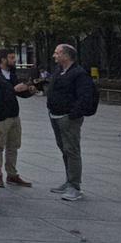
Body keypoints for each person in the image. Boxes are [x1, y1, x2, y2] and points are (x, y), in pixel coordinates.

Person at [41, 43, 93, 201]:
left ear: (66, 55)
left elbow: (85, 96)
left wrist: (73, 114)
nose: (54, 56)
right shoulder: (59, 71)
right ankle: (69, 180)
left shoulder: (79, 74)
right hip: (55, 115)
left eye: (57, 53)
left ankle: (74, 186)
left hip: (68, 117)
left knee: (72, 150)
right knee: (64, 148)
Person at [0, 48, 34, 188]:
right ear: (3, 59)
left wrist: (29, 91)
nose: (14, 60)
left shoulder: (12, 73)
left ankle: (12, 173)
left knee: (13, 145)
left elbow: (17, 92)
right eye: (11, 58)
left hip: (14, 114)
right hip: (1, 115)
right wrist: (14, 89)